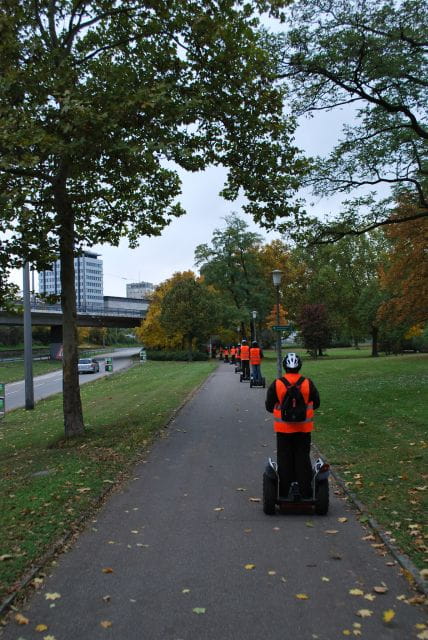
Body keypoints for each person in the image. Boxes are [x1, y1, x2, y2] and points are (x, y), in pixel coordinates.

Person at [265, 352, 320, 499]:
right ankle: (306, 491)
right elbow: (317, 403)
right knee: (302, 457)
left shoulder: (277, 384)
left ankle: (283, 492)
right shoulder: (308, 383)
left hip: (283, 430)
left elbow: (269, 406)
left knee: (284, 458)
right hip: (303, 429)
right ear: (299, 366)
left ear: (284, 367)